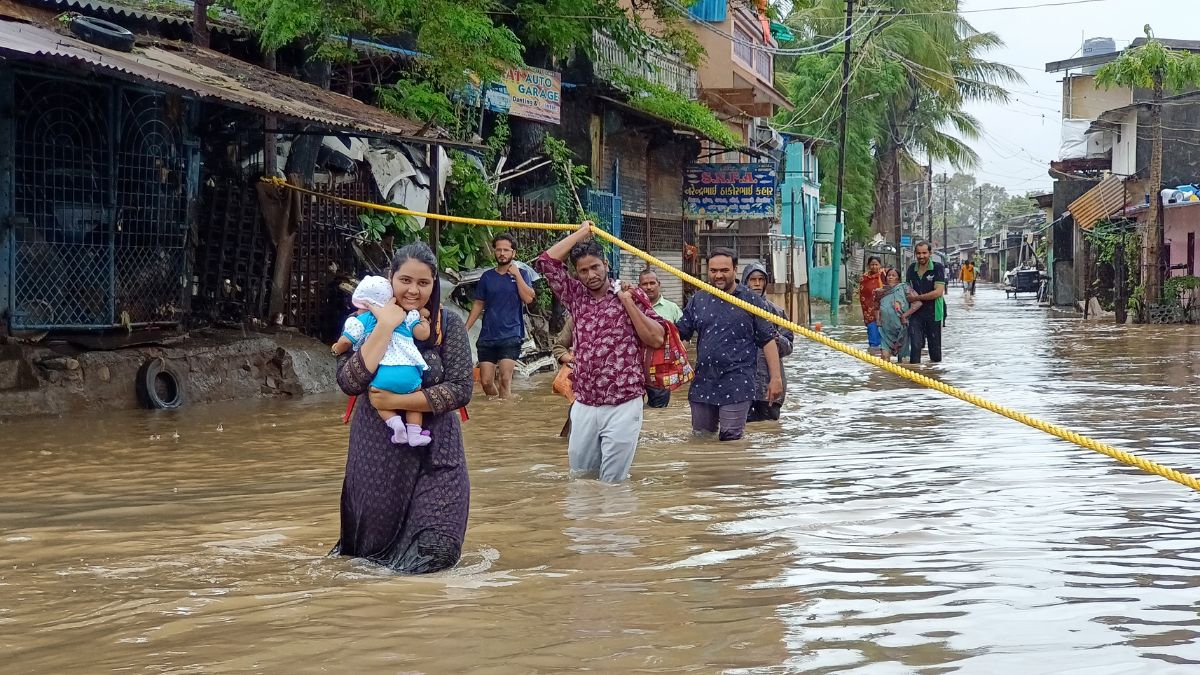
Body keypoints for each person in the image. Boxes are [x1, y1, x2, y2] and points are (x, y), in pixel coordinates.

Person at [332, 242, 473, 574]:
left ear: (434, 285)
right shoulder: (362, 321)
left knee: (437, 551)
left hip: (438, 450)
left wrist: (396, 401)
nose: (414, 290)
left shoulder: (447, 326)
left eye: (423, 283)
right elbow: (350, 381)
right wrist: (384, 325)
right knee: (369, 564)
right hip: (378, 453)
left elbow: (460, 389)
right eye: (405, 281)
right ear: (390, 279)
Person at [535, 222, 666, 483]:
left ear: (606, 264)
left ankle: (613, 523)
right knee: (580, 478)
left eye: (595, 267)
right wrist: (584, 232)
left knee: (613, 482)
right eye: (583, 270)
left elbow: (656, 337)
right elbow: (547, 261)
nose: (590, 274)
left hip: (624, 401)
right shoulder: (575, 296)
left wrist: (628, 303)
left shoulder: (630, 294)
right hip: (584, 401)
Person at [676, 248, 784, 441]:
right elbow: (681, 334)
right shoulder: (698, 299)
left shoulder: (751, 301)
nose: (718, 275)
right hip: (703, 381)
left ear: (735, 270)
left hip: (738, 382)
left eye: (724, 270)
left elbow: (768, 340)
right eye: (713, 270)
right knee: (700, 438)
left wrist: (775, 378)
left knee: (731, 439)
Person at [333, 275, 432, 446]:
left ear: (366, 304)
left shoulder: (360, 319)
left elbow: (346, 341)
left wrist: (336, 348)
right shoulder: (405, 316)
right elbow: (423, 334)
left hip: (384, 375)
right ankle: (414, 433)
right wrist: (423, 318)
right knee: (414, 396)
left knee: (378, 398)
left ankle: (396, 425)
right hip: (410, 371)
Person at [465, 233, 536, 398]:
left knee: (505, 380)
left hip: (511, 334)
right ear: (494, 252)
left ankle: (508, 421)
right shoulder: (487, 277)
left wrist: (517, 275)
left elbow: (528, 298)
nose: (502, 253)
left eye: (506, 250)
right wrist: (465, 328)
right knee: (486, 383)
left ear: (514, 253)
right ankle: (497, 415)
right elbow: (478, 303)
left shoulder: (522, 274)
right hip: (488, 335)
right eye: (498, 250)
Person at [740, 262, 794, 422]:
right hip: (741, 386)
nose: (757, 284)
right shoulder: (735, 309)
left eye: (761, 279)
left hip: (769, 384)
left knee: (769, 432)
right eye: (753, 280)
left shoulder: (776, 312)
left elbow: (789, 346)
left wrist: (777, 340)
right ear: (745, 282)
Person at [637, 268, 682, 408]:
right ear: (639, 287)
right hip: (635, 369)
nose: (649, 287)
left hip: (661, 371)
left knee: (659, 411)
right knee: (633, 410)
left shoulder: (672, 308)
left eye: (652, 283)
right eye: (645, 284)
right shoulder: (632, 307)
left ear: (659, 284)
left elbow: (683, 337)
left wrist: (674, 364)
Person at [905, 241, 946, 363]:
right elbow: (907, 289)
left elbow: (938, 292)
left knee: (935, 351)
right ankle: (914, 377)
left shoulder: (938, 268)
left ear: (930, 253)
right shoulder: (912, 268)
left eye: (924, 253)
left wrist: (917, 298)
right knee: (915, 346)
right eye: (918, 253)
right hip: (915, 313)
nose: (921, 256)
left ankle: (934, 376)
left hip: (934, 313)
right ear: (915, 254)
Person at [877, 268, 921, 362]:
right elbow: (876, 307)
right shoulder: (881, 292)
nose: (890, 277)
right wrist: (878, 320)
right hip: (886, 330)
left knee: (903, 360)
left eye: (893, 275)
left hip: (902, 328)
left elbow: (918, 303)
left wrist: (905, 315)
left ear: (898, 278)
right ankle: (885, 377)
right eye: (889, 275)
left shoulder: (904, 288)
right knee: (884, 358)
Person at [858, 256, 885, 355]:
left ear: (880, 265)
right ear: (868, 266)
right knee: (872, 331)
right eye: (872, 264)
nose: (874, 267)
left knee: (884, 334)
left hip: (884, 311)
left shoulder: (884, 276)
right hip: (869, 311)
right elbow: (862, 295)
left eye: (876, 264)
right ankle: (874, 354)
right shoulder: (864, 278)